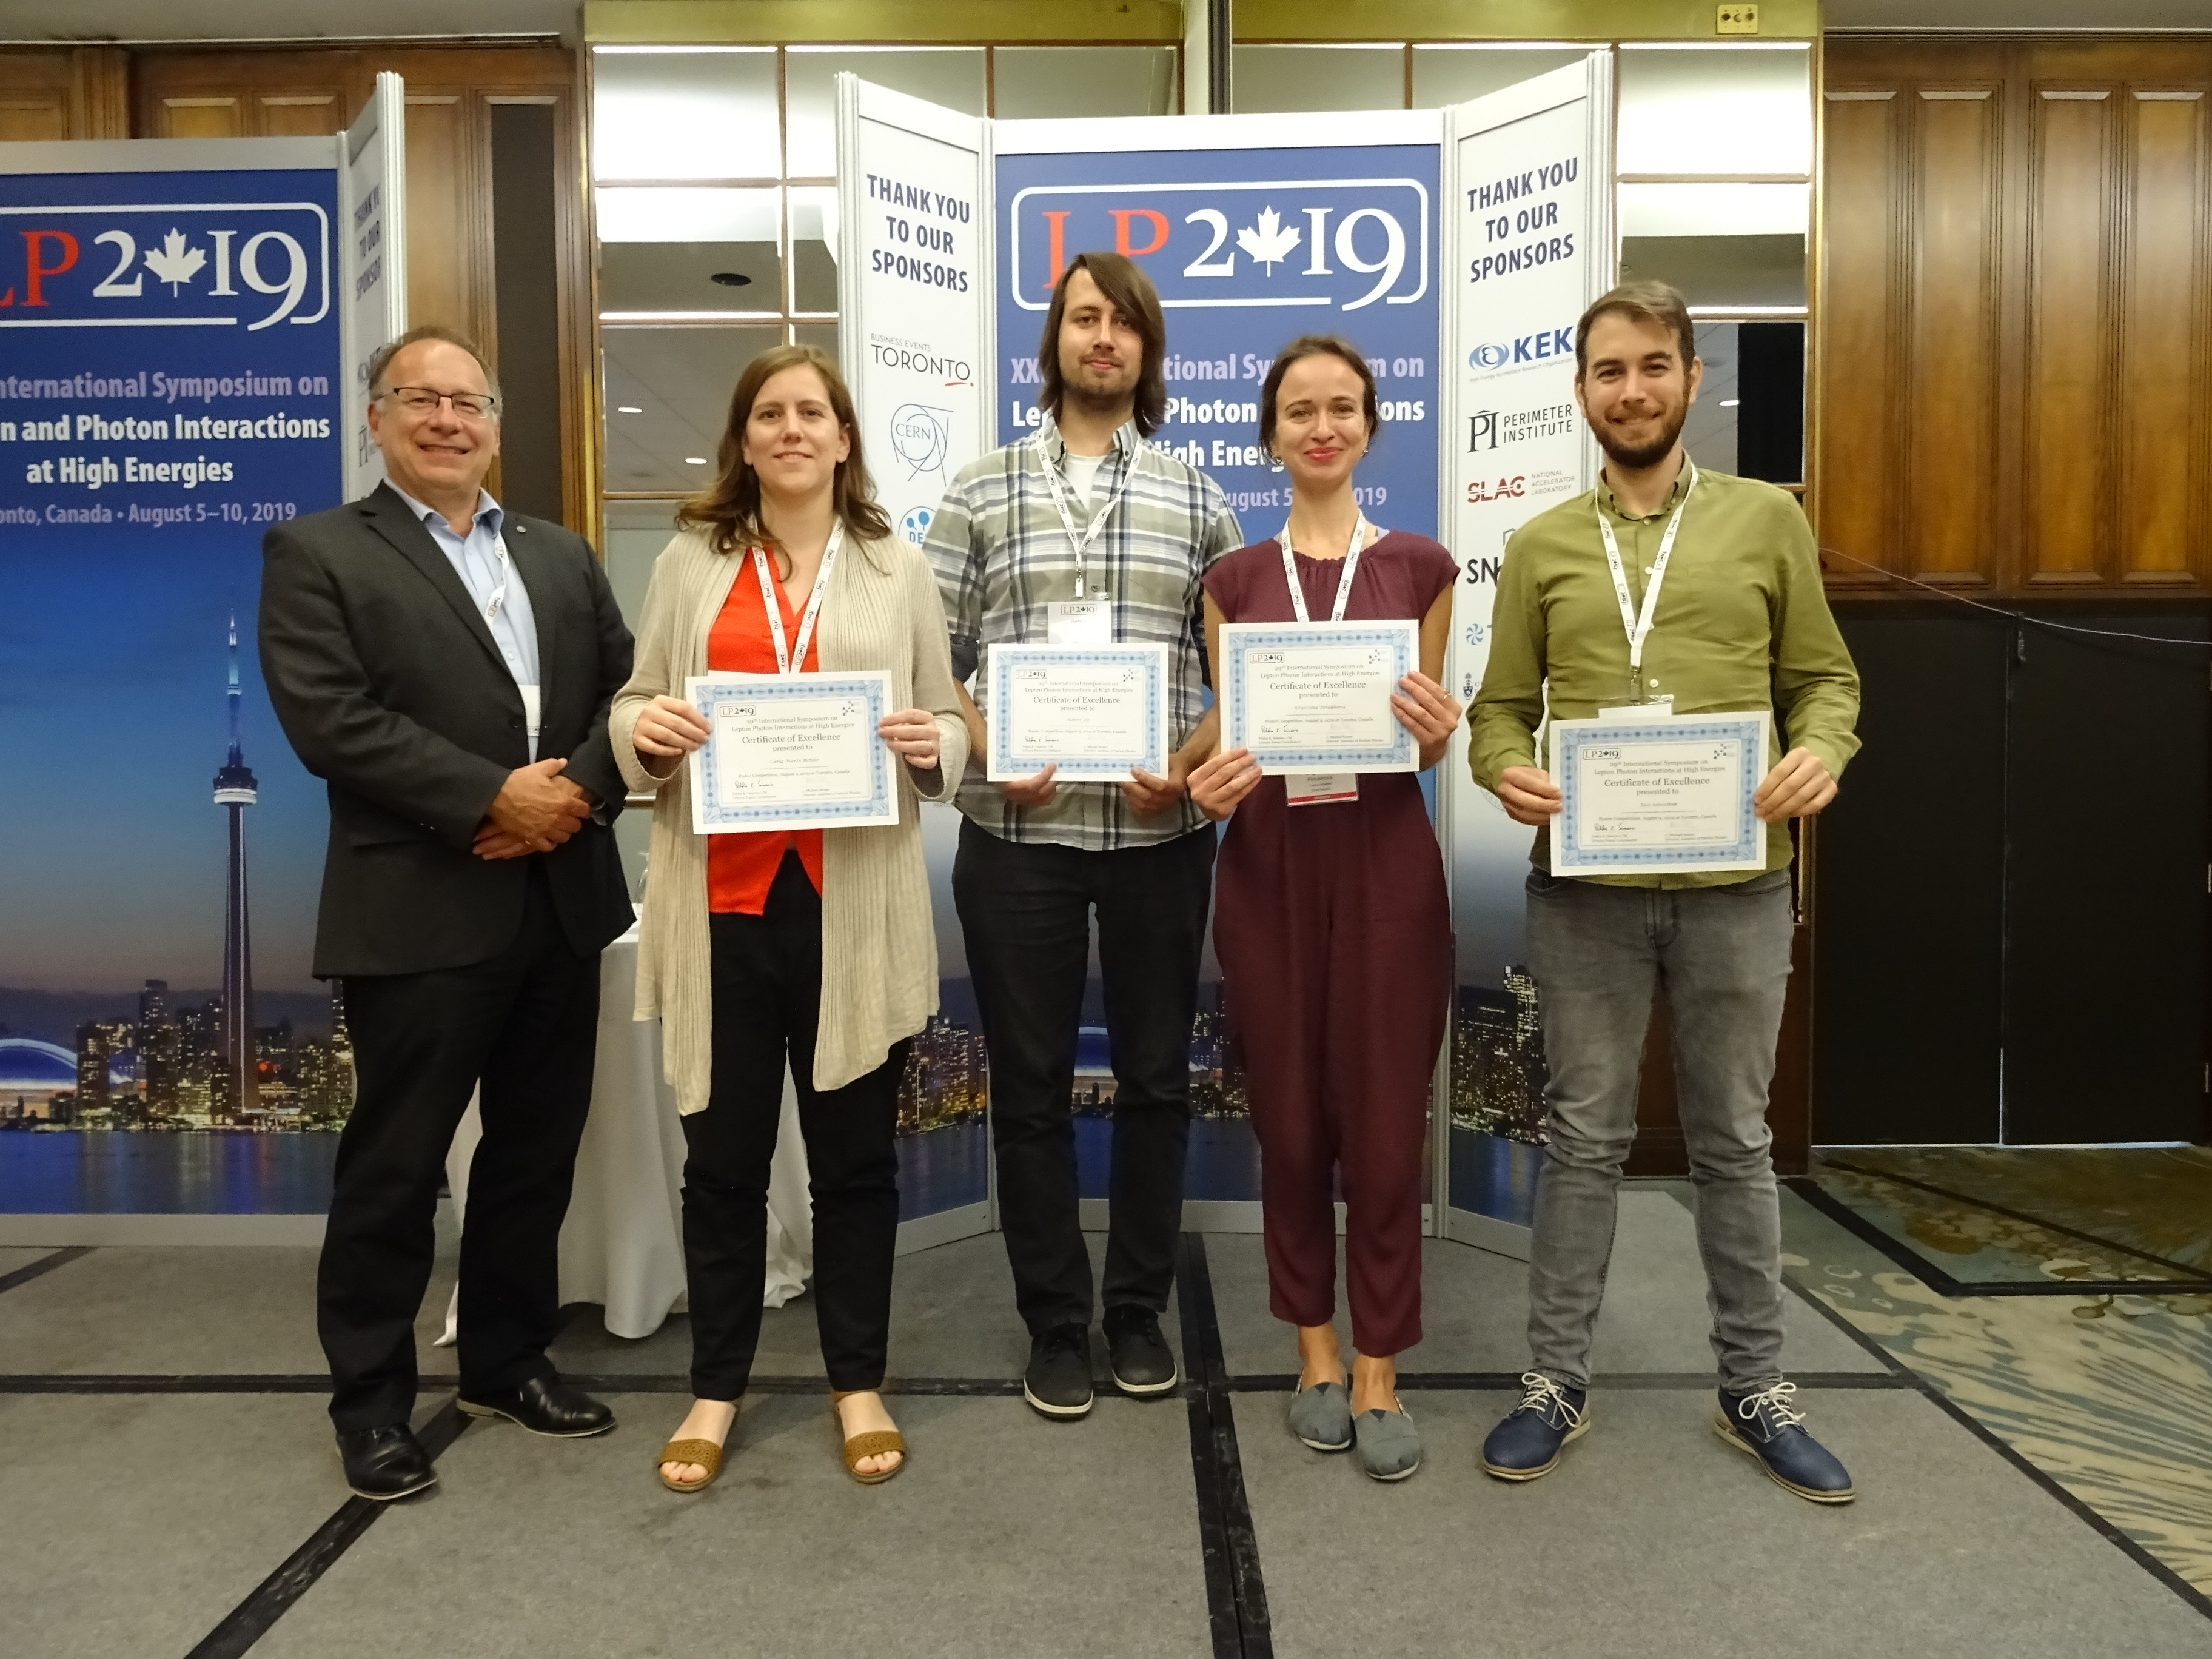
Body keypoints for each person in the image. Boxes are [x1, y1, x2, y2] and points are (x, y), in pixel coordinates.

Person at [1468, 281, 1862, 1503]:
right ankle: (1554, 1383)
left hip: (1738, 883)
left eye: (1651, 367)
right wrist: (1506, 772)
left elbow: (1825, 683)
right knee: (1582, 1141)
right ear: (1580, 391)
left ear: (1693, 379)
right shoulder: (1539, 544)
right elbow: (1495, 712)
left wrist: (1824, 754)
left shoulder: (1766, 522)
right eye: (1606, 371)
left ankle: (1755, 1388)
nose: (1629, 390)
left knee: (1733, 1143)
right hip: (1585, 889)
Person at [260, 325, 635, 1501]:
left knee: (533, 1158)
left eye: (468, 401)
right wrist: (490, 795)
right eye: (417, 399)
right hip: (420, 907)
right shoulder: (319, 551)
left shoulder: (562, 557)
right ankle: (370, 1406)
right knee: (398, 1167)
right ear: (376, 419)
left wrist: (568, 797)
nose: (446, 420)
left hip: (560, 902)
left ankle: (505, 1362)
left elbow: (630, 698)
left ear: (495, 423)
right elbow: (330, 719)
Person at [609, 345, 967, 1492]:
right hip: (719, 900)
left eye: (813, 411)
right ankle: (717, 1388)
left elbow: (948, 719)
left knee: (854, 1164)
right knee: (721, 1165)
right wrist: (644, 734)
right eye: (770, 412)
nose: (792, 429)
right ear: (745, 439)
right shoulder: (688, 564)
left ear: (845, 438)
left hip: (850, 903)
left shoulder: (896, 568)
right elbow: (631, 705)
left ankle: (856, 1379)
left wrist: (935, 748)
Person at [926, 252, 1242, 1419]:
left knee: (1159, 1078)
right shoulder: (978, 490)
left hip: (1161, 833)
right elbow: (935, 656)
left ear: (1148, 352)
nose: (1101, 338)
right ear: (1054, 341)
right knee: (1031, 1084)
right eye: (1083, 319)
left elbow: (1228, 671)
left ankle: (1137, 1311)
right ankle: (1057, 1324)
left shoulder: (1199, 496)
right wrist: (985, 745)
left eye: (1123, 324)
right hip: (1017, 834)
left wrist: (1194, 760)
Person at [1188, 335, 1460, 1482]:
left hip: (1388, 864)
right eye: (1299, 409)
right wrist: (1202, 781)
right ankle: (1312, 1352)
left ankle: (1380, 1364)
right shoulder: (1234, 582)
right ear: (1270, 434)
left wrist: (1442, 734)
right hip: (1271, 864)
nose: (1321, 426)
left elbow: (1429, 736)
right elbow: (1228, 744)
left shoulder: (1424, 568)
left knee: (1389, 1132)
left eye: (1342, 407)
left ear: (1370, 428)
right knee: (1291, 1120)